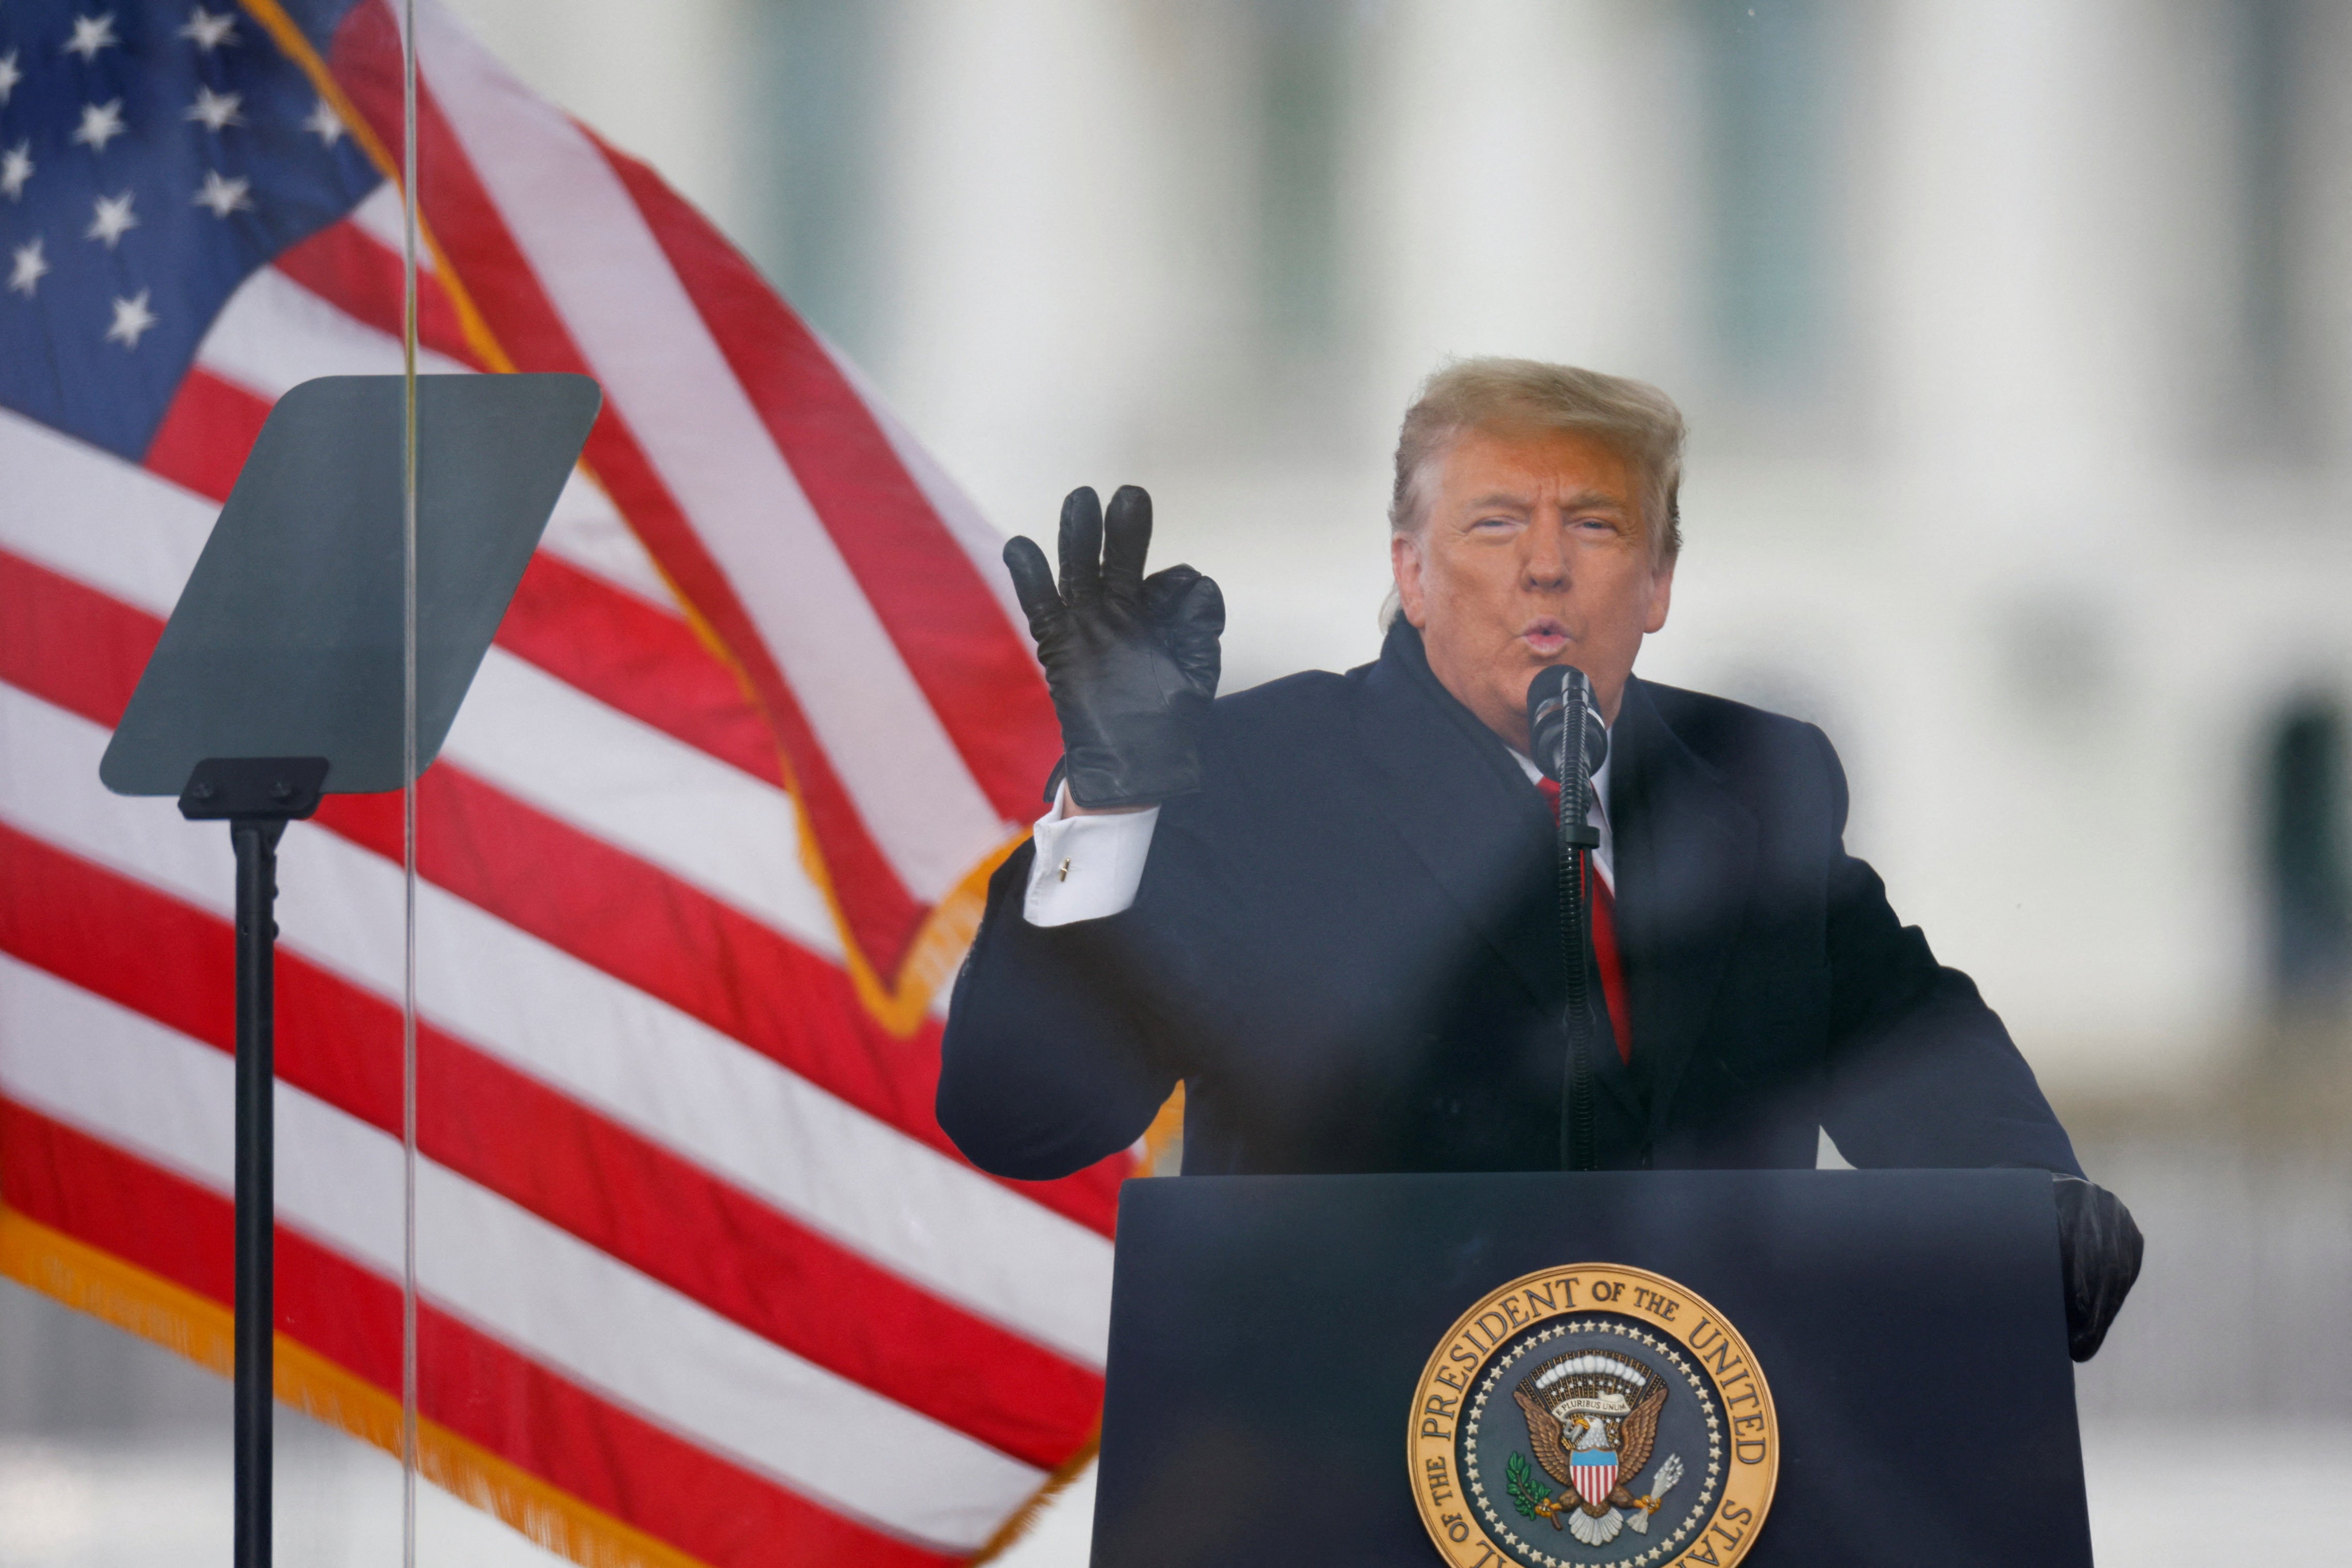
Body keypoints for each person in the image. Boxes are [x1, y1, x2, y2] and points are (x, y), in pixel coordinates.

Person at [938, 358, 2141, 1359]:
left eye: (1598, 524)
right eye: (1495, 522)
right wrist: (1109, 803)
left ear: (1659, 578)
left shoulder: (1757, 781)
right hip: (1333, 1478)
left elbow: (1907, 1041)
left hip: (1705, 1472)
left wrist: (2027, 1206)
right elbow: (1024, 1116)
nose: (1545, 567)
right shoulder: (1253, 774)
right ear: (1408, 570)